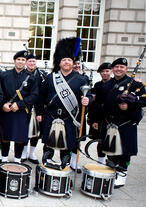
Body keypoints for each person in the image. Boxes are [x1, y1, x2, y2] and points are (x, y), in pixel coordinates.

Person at [36, 37, 91, 172]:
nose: (66, 62)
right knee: (48, 143)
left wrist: (88, 100)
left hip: (70, 117)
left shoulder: (81, 79)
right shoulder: (51, 78)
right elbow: (40, 97)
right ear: (59, 62)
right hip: (51, 115)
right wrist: (39, 113)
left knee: (67, 144)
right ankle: (46, 167)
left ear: (73, 63)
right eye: (64, 60)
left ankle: (65, 167)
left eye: (69, 60)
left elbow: (88, 96)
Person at [92, 57, 145, 188]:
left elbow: (144, 100)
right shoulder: (107, 84)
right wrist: (96, 120)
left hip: (125, 123)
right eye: (116, 67)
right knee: (111, 149)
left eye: (122, 67)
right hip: (109, 121)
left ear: (126, 69)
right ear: (113, 69)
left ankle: (122, 174)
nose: (119, 69)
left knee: (124, 150)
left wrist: (130, 106)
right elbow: (99, 104)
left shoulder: (134, 84)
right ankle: (112, 171)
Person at [0, 50, 39, 163]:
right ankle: (4, 158)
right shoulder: (4, 75)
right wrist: (3, 105)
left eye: (23, 60)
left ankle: (17, 159)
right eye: (18, 59)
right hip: (6, 110)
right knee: (5, 137)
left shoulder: (31, 77)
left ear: (25, 62)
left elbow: (34, 95)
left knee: (20, 138)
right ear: (14, 61)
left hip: (22, 111)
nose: (20, 62)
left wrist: (20, 104)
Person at [21, 53, 45, 164]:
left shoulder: (41, 75)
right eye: (29, 61)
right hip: (25, 106)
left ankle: (32, 153)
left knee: (35, 132)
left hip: (37, 107)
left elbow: (41, 95)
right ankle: (23, 153)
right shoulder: (22, 74)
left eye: (33, 61)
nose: (32, 63)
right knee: (25, 131)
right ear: (26, 63)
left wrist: (39, 111)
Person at [87, 62, 112, 164]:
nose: (105, 73)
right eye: (102, 71)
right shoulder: (97, 85)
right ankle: (101, 161)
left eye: (107, 71)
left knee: (110, 141)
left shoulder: (114, 84)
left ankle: (111, 161)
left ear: (111, 72)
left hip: (110, 118)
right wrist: (91, 117)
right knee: (100, 141)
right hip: (98, 117)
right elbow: (94, 103)